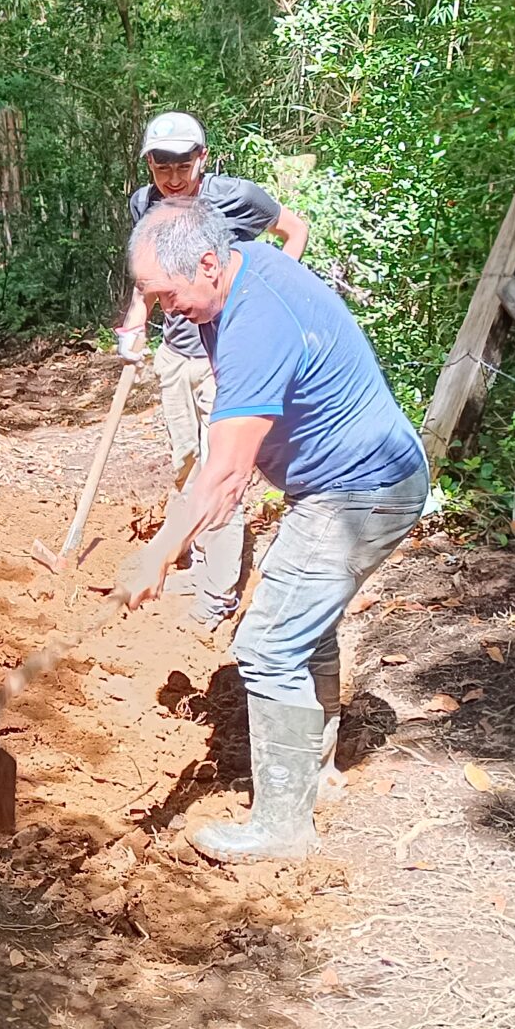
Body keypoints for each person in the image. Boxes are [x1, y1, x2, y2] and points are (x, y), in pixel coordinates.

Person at [118, 195, 429, 863]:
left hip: (360, 491)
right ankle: (315, 776)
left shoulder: (257, 319)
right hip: (344, 483)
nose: (166, 310)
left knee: (266, 648)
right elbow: (236, 445)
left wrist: (159, 554)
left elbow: (225, 472)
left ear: (207, 262)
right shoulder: (234, 279)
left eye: (168, 295)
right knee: (299, 629)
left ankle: (284, 828)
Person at [112, 112, 310, 626]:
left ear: (202, 158)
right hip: (176, 354)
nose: (173, 177)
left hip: (226, 358)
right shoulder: (145, 204)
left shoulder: (237, 197)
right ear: (149, 165)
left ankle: (218, 593)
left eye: (183, 165)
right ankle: (200, 560)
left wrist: (268, 298)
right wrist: (136, 321)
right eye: (162, 167)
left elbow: (294, 230)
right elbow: (149, 275)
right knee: (186, 465)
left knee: (219, 468)